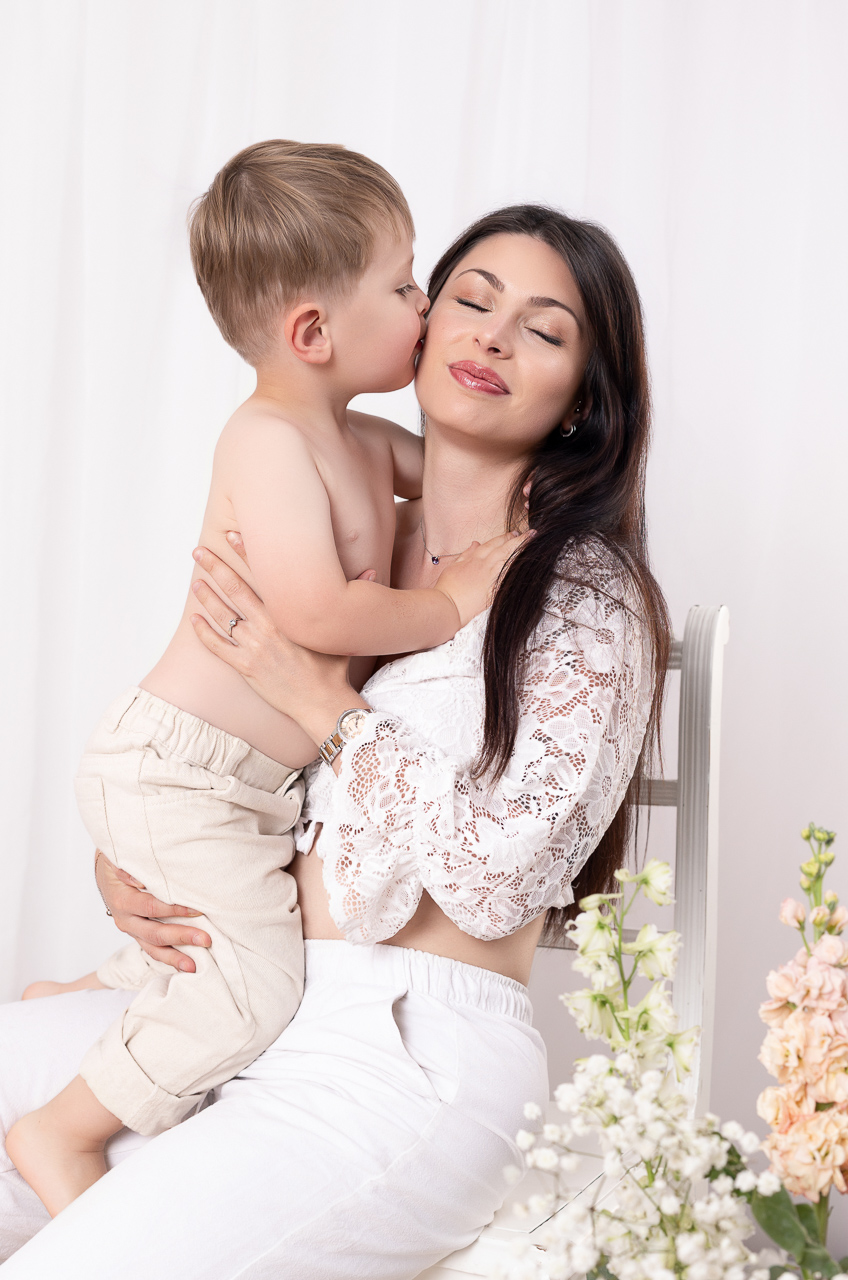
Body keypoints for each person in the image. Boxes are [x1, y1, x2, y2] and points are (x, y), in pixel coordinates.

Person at [0, 205, 669, 1278]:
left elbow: (500, 882)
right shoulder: (338, 521)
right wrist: (131, 860)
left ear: (586, 400)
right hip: (235, 992)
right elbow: (217, 747)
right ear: (411, 324)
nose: (492, 337)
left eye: (543, 331)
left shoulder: (580, 592)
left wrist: (324, 704)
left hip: (401, 1050)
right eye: (470, 299)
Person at [5, 140, 515, 1218]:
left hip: (243, 786)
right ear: (314, 331)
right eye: (405, 282)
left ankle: (106, 990)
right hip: (178, 769)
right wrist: (449, 602)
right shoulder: (269, 440)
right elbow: (316, 613)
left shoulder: (366, 443)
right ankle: (61, 1128)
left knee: (235, 944)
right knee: (254, 984)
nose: (425, 306)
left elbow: (479, 476)